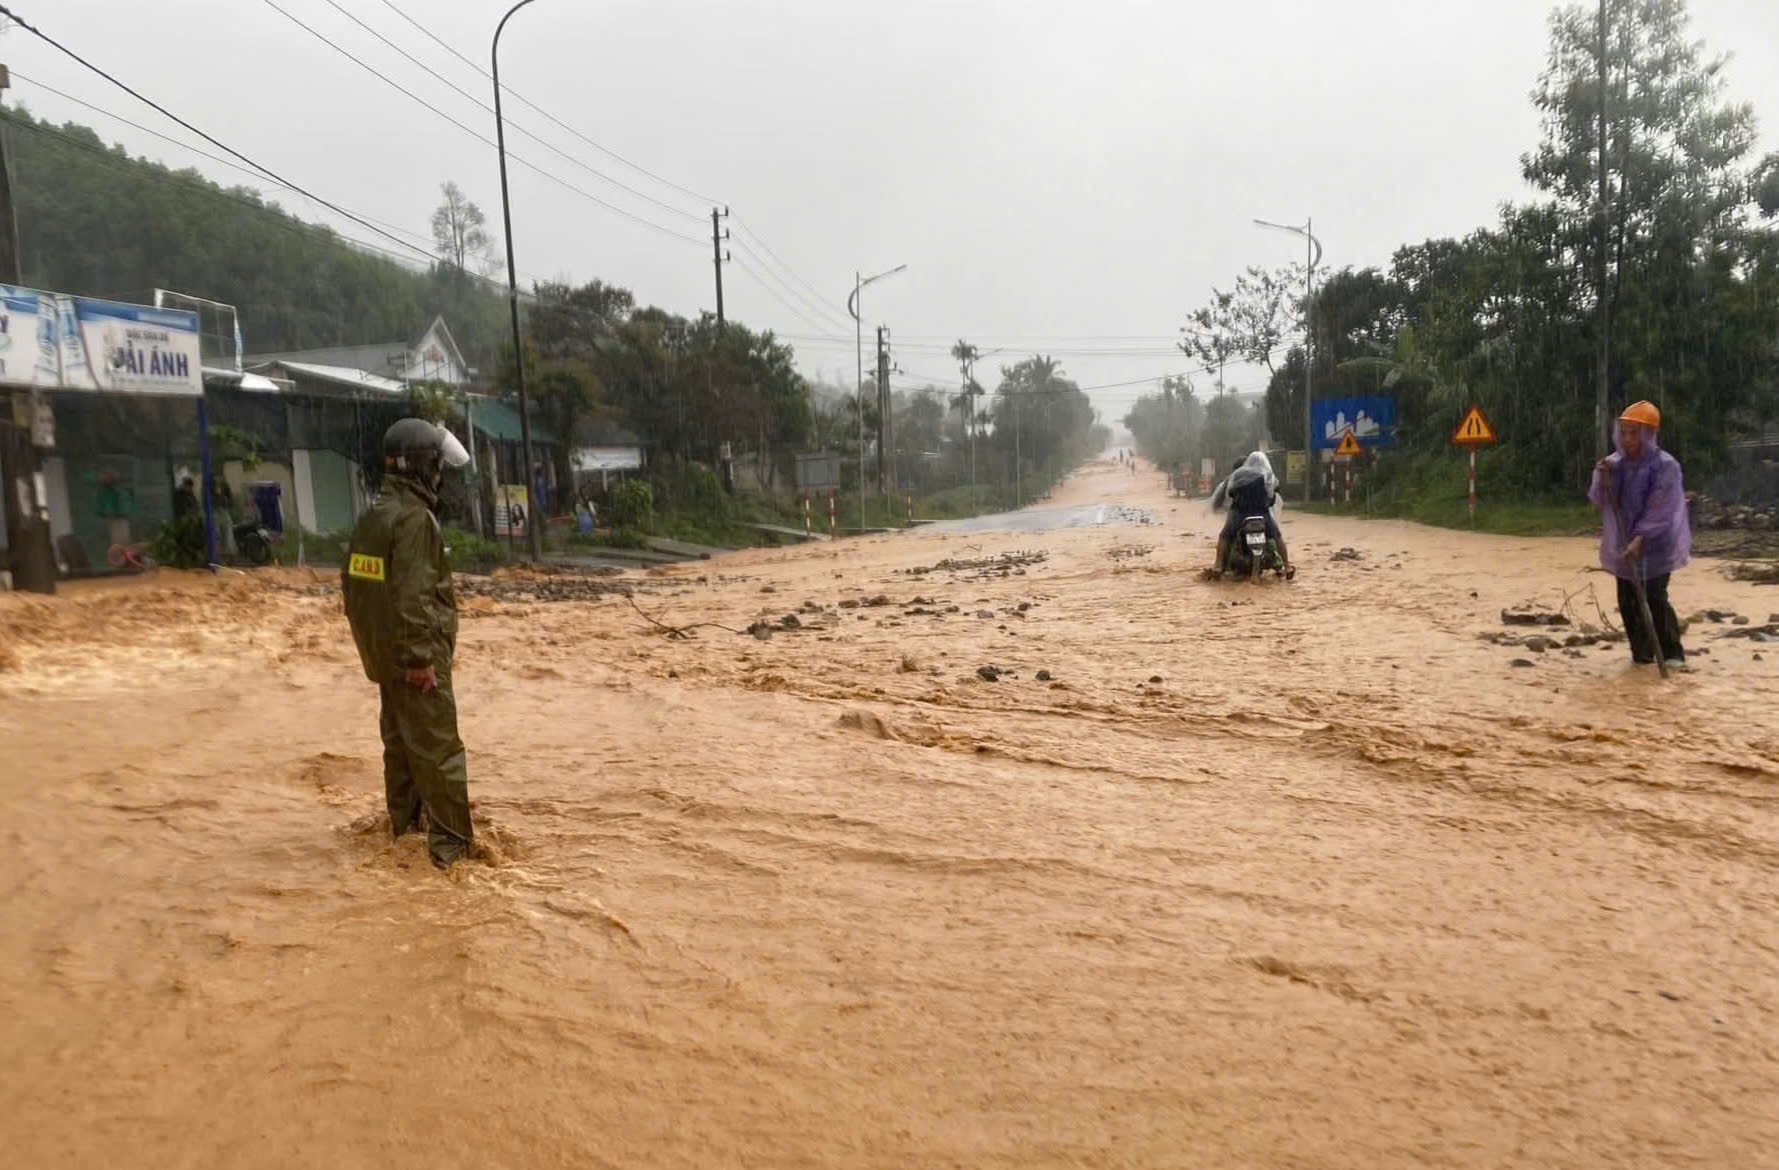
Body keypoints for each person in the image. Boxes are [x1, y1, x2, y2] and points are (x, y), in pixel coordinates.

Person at [343, 419, 475, 867]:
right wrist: (421, 658)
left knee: (400, 750)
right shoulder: (415, 520)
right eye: (436, 465)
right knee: (439, 752)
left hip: (387, 659)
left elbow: (360, 594)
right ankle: (451, 852)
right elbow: (413, 594)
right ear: (422, 467)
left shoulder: (374, 515)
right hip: (417, 658)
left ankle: (403, 837)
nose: (439, 474)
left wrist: (386, 657)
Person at [1589, 400, 1689, 669]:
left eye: (1634, 433)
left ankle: (1672, 654)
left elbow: (1661, 508)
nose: (1628, 439)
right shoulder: (1615, 464)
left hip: (1657, 544)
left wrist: (1640, 538)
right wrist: (1603, 478)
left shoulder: (1665, 466)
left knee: (1655, 596)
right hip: (1624, 542)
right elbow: (1601, 499)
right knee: (1628, 600)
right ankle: (1641, 657)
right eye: (1624, 432)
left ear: (1648, 435)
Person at [1211, 451, 1293, 578]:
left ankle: (1218, 564)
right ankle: (1287, 566)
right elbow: (1273, 493)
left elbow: (1230, 492)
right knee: (1277, 536)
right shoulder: (1266, 475)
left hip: (1241, 514)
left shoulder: (1239, 475)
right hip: (1262, 514)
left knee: (1224, 536)